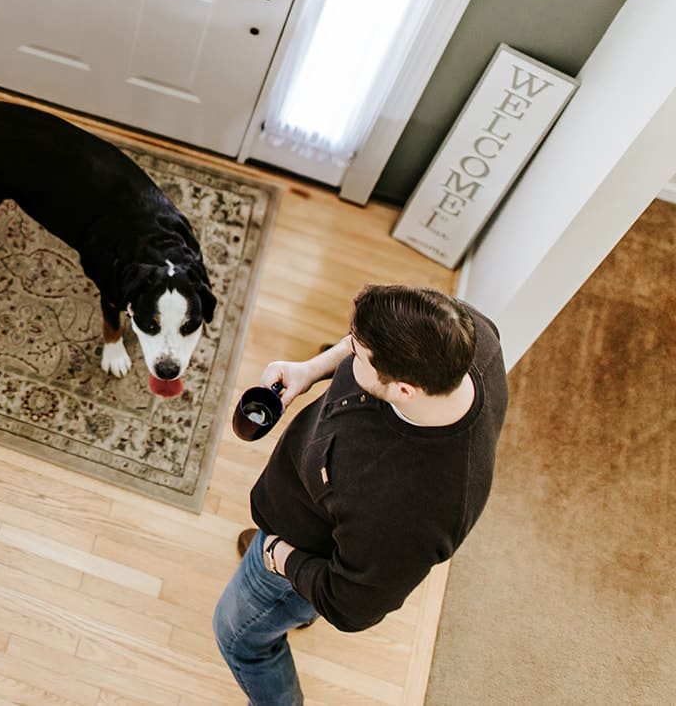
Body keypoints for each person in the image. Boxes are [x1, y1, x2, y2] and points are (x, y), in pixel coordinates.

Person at [214, 284, 508, 706]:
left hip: (298, 549)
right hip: (301, 511)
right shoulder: (468, 332)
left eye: (361, 355)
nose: (352, 353)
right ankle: (296, 602)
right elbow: (365, 344)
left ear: (405, 389)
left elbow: (351, 605)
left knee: (238, 637)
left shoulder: (412, 513)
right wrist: (312, 368)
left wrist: (278, 557)